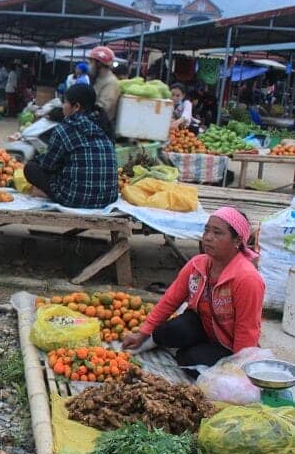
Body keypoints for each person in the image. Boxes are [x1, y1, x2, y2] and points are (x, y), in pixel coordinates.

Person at [123, 207, 264, 371]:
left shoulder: (247, 279)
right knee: (168, 331)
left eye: (217, 233)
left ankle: (198, 353)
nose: (208, 237)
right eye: (207, 230)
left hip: (229, 344)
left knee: (189, 360)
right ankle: (187, 347)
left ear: (237, 241)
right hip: (203, 327)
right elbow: (170, 301)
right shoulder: (198, 264)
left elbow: (246, 330)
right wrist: (142, 334)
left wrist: (239, 367)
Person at [23, 83, 118, 208]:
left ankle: (46, 193)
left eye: (65, 103)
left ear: (76, 106)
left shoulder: (65, 129)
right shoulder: (103, 126)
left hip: (75, 198)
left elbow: (47, 165)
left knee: (30, 168)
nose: (63, 107)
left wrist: (37, 160)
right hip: (108, 198)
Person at [88, 45, 120, 124]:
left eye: (91, 62)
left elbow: (102, 108)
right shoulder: (98, 79)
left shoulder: (111, 82)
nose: (89, 66)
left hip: (100, 127)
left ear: (99, 64)